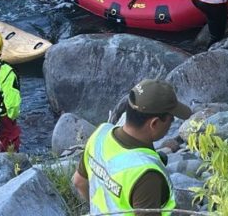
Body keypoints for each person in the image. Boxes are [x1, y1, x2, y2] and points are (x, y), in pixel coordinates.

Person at [72, 79, 192, 215]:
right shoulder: (147, 174)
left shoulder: (100, 134)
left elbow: (79, 181)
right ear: (155, 123)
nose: (172, 123)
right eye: (171, 119)